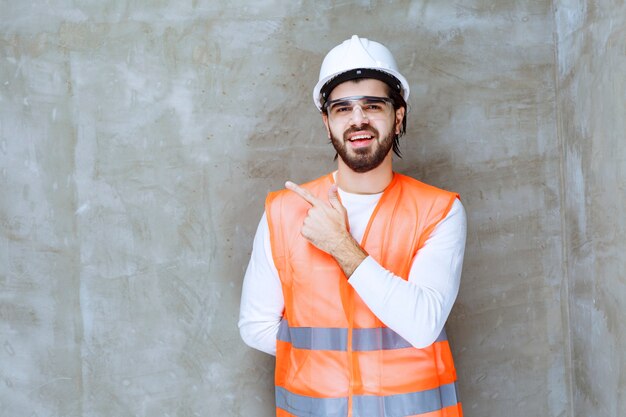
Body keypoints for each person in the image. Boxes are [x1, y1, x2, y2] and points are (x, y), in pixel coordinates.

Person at [239, 35, 466, 417]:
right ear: (327, 123)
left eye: (373, 106)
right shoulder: (283, 211)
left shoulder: (439, 210)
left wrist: (341, 245)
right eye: (342, 109)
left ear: (399, 115)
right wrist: (339, 367)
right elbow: (254, 326)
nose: (358, 119)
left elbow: (423, 324)